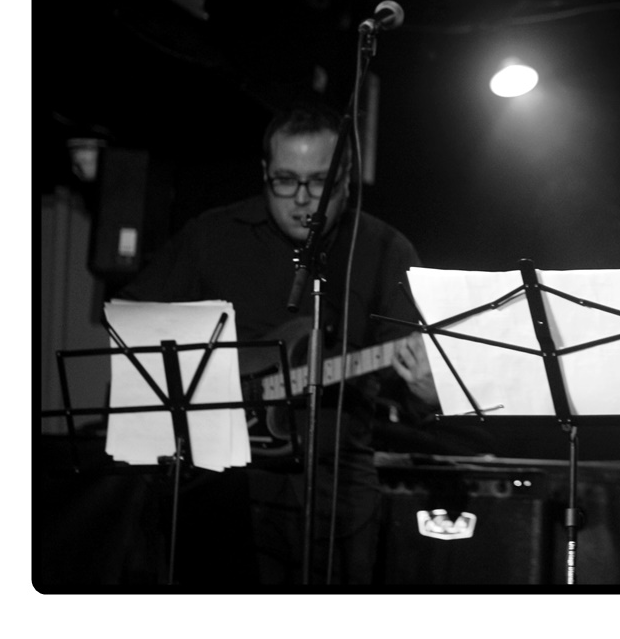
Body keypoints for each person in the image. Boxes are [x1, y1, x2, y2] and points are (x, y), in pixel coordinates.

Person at [120, 102, 439, 586]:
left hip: (335, 482)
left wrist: (427, 389)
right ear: (265, 172)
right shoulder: (213, 235)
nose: (302, 198)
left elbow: (416, 374)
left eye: (320, 182)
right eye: (285, 180)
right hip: (215, 478)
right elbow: (133, 318)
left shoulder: (384, 249)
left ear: (347, 180)